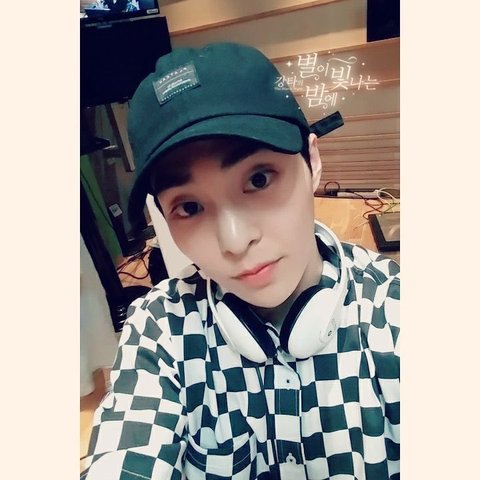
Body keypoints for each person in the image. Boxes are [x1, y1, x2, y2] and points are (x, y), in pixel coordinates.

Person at [81, 42, 400, 480]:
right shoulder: (160, 331)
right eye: (189, 207)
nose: (234, 241)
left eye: (259, 179)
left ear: (312, 160)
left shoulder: (396, 313)